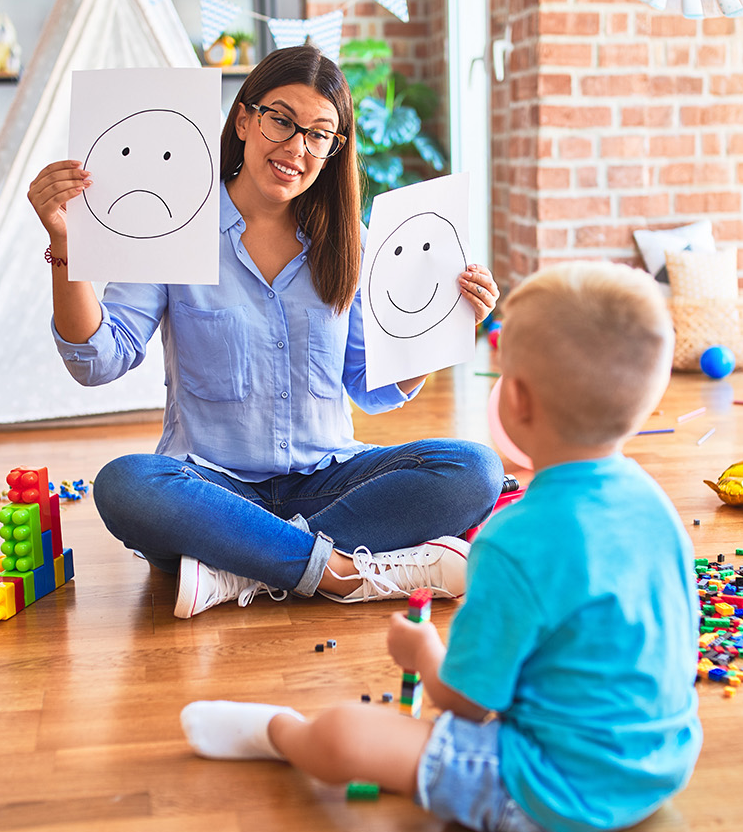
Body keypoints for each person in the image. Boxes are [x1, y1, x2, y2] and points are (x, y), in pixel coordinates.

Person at [179, 262, 702, 832]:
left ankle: (280, 732)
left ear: (517, 402)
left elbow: (466, 705)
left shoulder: (514, 541)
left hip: (554, 785)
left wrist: (425, 651)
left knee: (346, 736)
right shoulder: (657, 506)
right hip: (664, 764)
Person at [26, 46, 505, 619]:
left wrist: (438, 329)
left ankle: (239, 570)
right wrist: (66, 247)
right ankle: (337, 571)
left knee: (475, 469)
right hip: (209, 489)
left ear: (333, 150)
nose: (296, 148)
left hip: (326, 479)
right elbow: (98, 360)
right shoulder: (175, 224)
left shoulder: (350, 238)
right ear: (245, 119)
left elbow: (370, 385)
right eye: (281, 120)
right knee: (125, 484)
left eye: (318, 134)